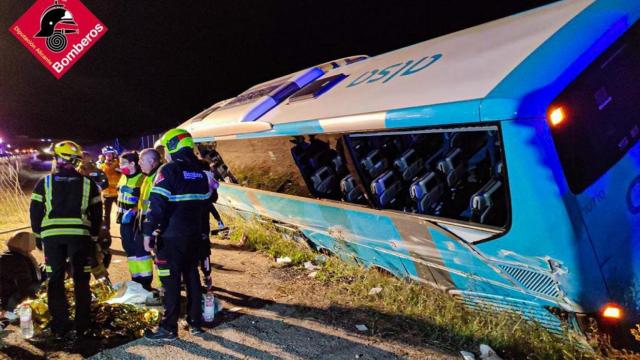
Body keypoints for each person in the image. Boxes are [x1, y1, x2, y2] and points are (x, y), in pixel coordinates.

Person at [143, 129, 217, 340]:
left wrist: (148, 231)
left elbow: (157, 204)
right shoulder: (201, 173)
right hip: (195, 236)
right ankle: (194, 322)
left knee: (170, 282)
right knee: (192, 277)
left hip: (171, 238)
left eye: (166, 148)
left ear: (173, 146)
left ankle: (168, 328)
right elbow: (209, 200)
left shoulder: (169, 170)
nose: (165, 153)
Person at [29, 140, 102, 339]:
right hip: (80, 237)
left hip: (52, 238)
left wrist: (38, 236)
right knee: (81, 279)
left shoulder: (45, 182)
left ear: (59, 159)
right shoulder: (89, 184)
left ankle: (59, 327)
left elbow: (35, 211)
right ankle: (82, 326)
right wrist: (93, 238)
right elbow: (97, 214)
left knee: (55, 280)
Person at [116, 151, 152, 289]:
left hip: (136, 221)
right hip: (123, 221)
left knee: (141, 251)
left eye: (123, 163)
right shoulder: (123, 177)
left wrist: (134, 211)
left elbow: (146, 200)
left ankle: (146, 282)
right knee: (129, 251)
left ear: (132, 164)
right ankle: (136, 279)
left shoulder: (142, 178)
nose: (120, 165)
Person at [135, 148, 162, 290]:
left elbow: (155, 206)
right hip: (148, 223)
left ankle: (165, 290)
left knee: (161, 260)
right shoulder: (148, 177)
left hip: (155, 225)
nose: (139, 163)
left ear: (152, 161)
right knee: (157, 258)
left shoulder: (158, 177)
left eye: (141, 160)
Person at [0, 232, 44, 312]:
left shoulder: (20, 255)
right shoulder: (14, 259)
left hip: (15, 296)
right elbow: (25, 285)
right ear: (24, 244)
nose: (33, 248)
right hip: (13, 300)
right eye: (31, 244)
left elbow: (37, 271)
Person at [98, 146, 120, 231]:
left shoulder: (118, 164)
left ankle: (125, 228)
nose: (109, 155)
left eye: (110, 154)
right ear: (104, 155)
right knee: (106, 214)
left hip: (118, 193)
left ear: (113, 154)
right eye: (107, 154)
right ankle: (106, 231)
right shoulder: (101, 167)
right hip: (107, 194)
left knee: (123, 211)